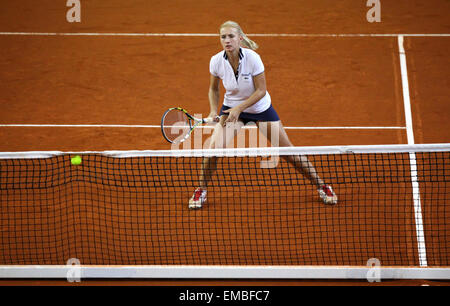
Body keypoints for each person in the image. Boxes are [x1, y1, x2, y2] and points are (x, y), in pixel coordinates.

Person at [188, 21, 337, 209]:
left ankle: (323, 186)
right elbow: (213, 89)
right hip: (231, 109)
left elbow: (261, 90)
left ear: (240, 38)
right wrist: (212, 109)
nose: (227, 40)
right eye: (223, 36)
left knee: (288, 152)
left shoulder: (253, 58)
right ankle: (201, 189)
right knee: (213, 150)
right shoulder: (216, 60)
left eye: (231, 36)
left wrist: (239, 108)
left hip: (259, 109)